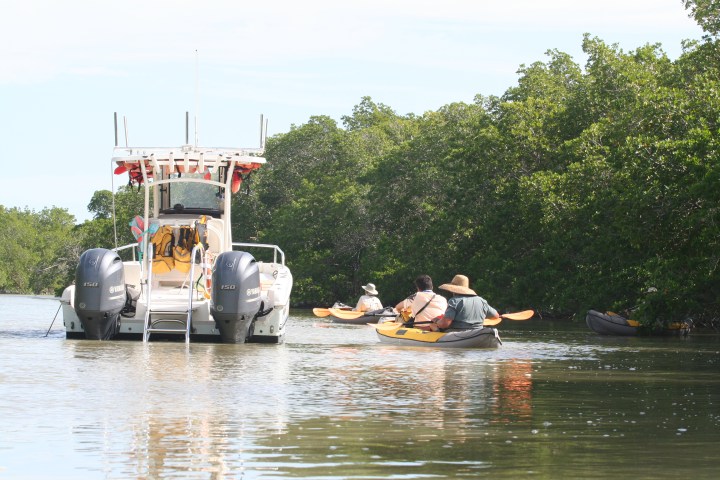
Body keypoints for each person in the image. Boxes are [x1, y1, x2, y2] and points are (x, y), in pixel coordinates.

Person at [428, 274, 500, 331]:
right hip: (478, 331)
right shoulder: (481, 301)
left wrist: (436, 321)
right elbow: (496, 316)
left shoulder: (454, 301)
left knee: (432, 326)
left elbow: (445, 324)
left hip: (458, 333)